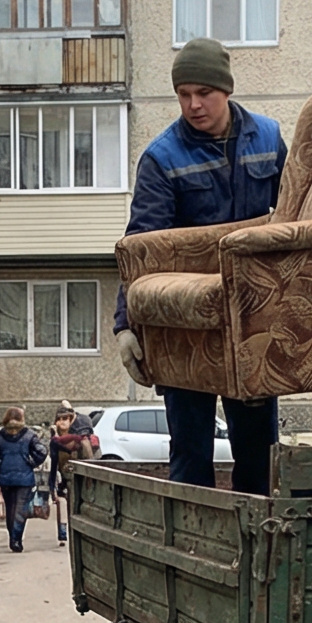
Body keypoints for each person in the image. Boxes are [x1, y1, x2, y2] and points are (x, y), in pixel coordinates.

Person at [114, 37, 286, 495]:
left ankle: (257, 553)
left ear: (225, 90)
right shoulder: (163, 157)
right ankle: (196, 552)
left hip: (249, 320)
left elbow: (294, 221)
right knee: (190, 451)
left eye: (203, 93)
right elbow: (141, 245)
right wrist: (125, 325)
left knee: (258, 450)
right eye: (183, 94)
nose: (193, 105)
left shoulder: (269, 139)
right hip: (184, 326)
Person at [0, 407, 47, 552]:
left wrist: (1, 466)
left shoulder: (0, 436)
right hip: (24, 478)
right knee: (20, 510)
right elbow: (42, 451)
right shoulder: (29, 435)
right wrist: (32, 462)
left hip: (6, 478)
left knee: (10, 508)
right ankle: (16, 540)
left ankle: (12, 537)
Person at [47, 402, 98, 546]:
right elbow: (54, 464)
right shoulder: (55, 442)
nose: (62, 422)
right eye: (59, 419)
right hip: (65, 478)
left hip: (81, 478)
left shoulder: (79, 439)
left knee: (80, 507)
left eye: (65, 419)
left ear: (70, 421)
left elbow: (90, 459)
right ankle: (64, 534)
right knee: (65, 506)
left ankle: (82, 534)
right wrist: (52, 486)